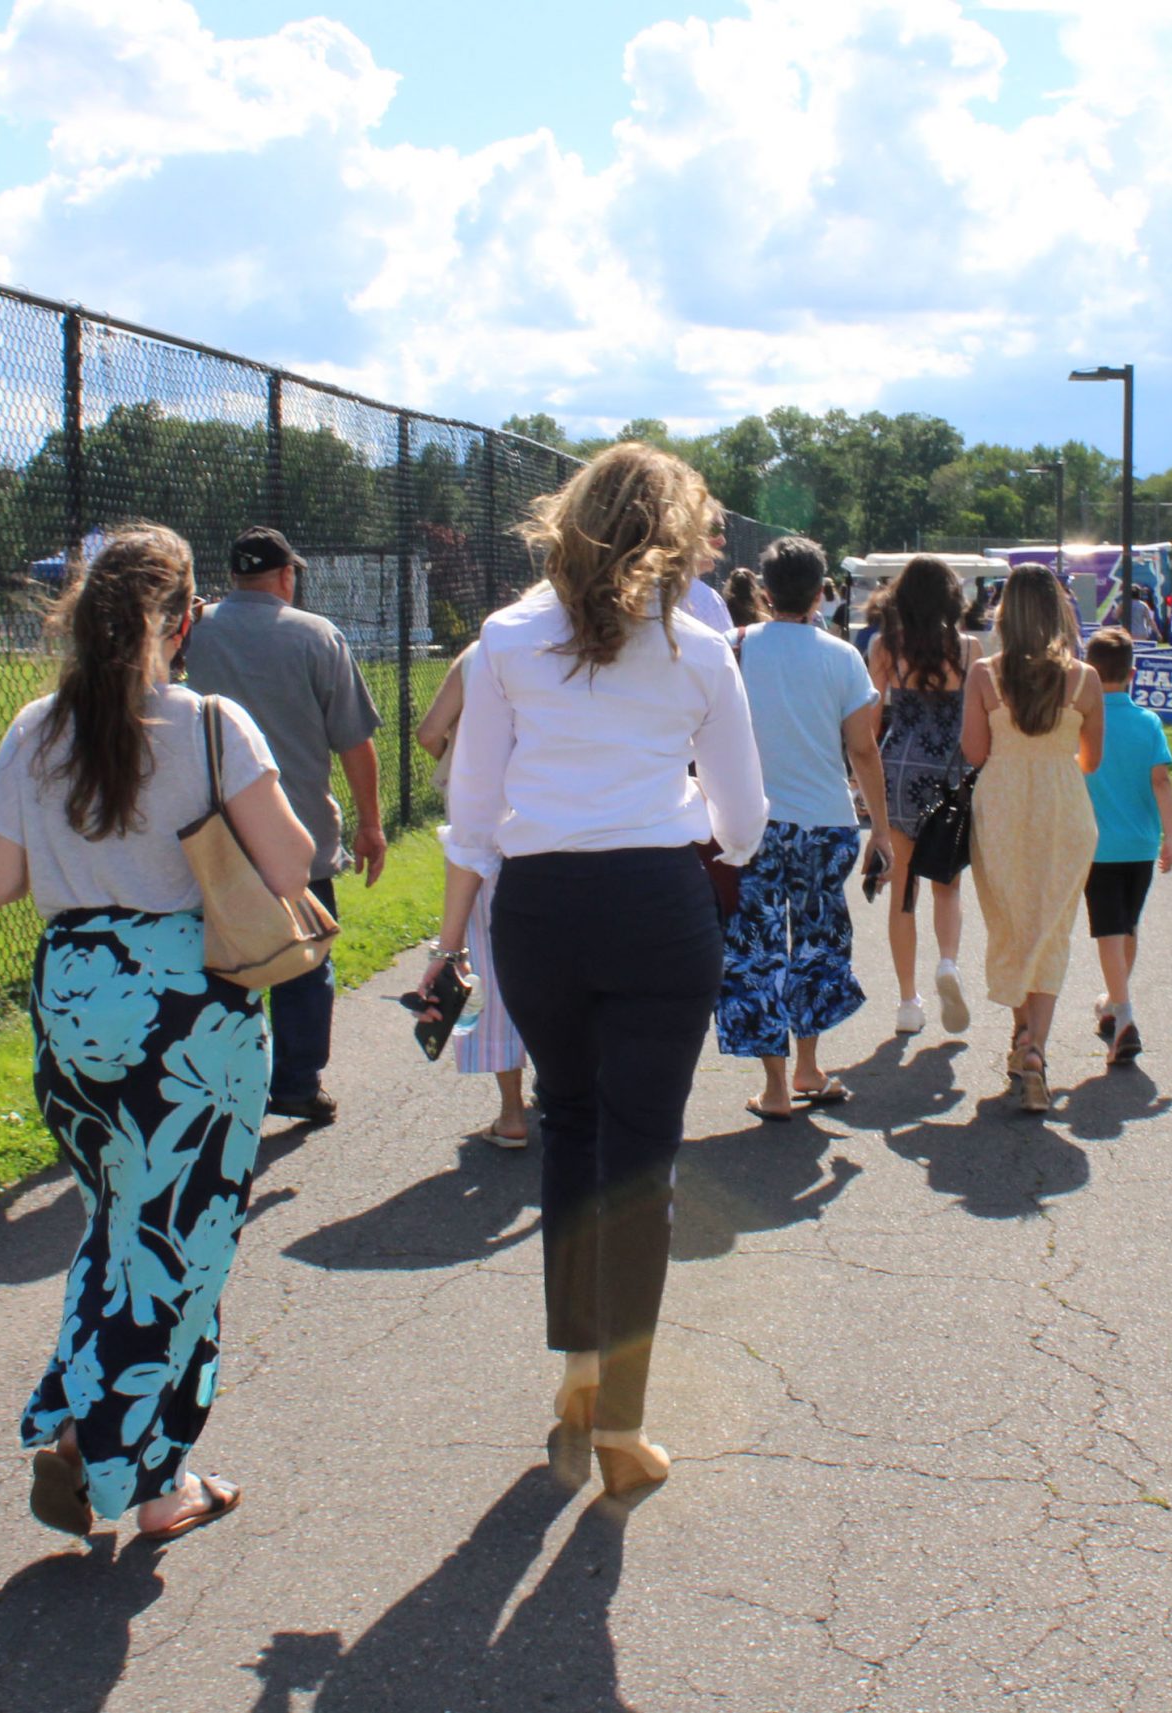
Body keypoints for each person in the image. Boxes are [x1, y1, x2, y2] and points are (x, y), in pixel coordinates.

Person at [433, 442, 767, 1503]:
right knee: (643, 1154)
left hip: (540, 908)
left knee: (569, 1128)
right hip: (657, 903)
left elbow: (474, 813)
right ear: (675, 529)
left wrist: (450, 942)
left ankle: (579, 1371)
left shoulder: (506, 641)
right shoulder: (699, 647)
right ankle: (622, 1414)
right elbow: (745, 825)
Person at [0, 524, 316, 1541]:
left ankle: (124, 1453)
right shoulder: (212, 724)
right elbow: (291, 867)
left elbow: (0, 886)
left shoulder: (33, 727)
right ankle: (119, 1456)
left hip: (75, 1005)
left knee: (124, 1228)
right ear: (184, 620)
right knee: (188, 1242)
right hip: (189, 1017)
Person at [181, 525, 385, 1125]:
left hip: (212, 833)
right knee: (304, 960)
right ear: (287, 576)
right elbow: (354, 742)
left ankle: (214, 1081)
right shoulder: (316, 635)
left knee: (216, 958)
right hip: (297, 833)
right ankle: (296, 1082)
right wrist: (370, 824)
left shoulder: (195, 630)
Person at [718, 536, 890, 1119]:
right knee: (817, 943)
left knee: (755, 947)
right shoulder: (842, 656)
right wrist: (883, 832)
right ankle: (810, 1067)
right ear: (822, 592)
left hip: (749, 825)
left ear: (763, 593)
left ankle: (773, 1087)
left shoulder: (732, 648)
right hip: (825, 822)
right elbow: (863, 751)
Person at [962, 565, 1104, 1114]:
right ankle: (1036, 1050)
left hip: (1000, 808)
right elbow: (1092, 760)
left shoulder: (983, 674)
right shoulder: (1085, 678)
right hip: (1063, 807)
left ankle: (1022, 1040)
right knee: (1051, 928)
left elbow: (974, 754)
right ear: (1059, 612)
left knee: (1012, 924)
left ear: (1005, 613)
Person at [413, 646, 532, 1148]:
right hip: (551, 821)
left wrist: (458, 766)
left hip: (485, 825)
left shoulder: (479, 655)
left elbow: (428, 732)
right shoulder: (579, 647)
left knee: (491, 960)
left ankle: (511, 1113)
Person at [868, 555, 978, 1037]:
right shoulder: (970, 649)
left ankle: (908, 1002)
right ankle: (948, 963)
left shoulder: (884, 648)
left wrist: (861, 783)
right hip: (950, 772)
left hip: (899, 769)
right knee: (947, 884)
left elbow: (870, 724)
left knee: (903, 890)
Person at [1081, 628, 1172, 1069]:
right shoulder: (1148, 722)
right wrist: (1170, 836)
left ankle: (1124, 1017)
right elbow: (1161, 779)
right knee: (1128, 924)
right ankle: (1115, 1002)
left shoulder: (1082, 723)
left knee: (1107, 930)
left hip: (1098, 845)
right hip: (1141, 843)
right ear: (1133, 673)